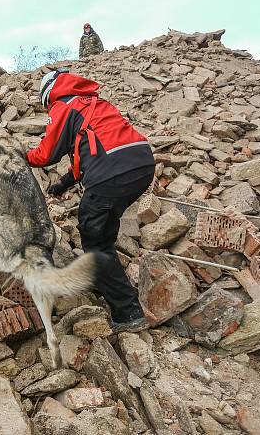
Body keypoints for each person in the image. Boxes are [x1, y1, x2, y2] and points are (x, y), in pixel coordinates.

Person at [26, 68, 155, 332]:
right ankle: (109, 279)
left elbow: (46, 154)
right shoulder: (92, 104)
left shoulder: (63, 106)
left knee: (95, 242)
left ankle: (128, 313)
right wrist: (62, 184)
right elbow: (87, 152)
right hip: (141, 164)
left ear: (48, 95)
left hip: (112, 173)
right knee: (103, 223)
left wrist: (20, 155)